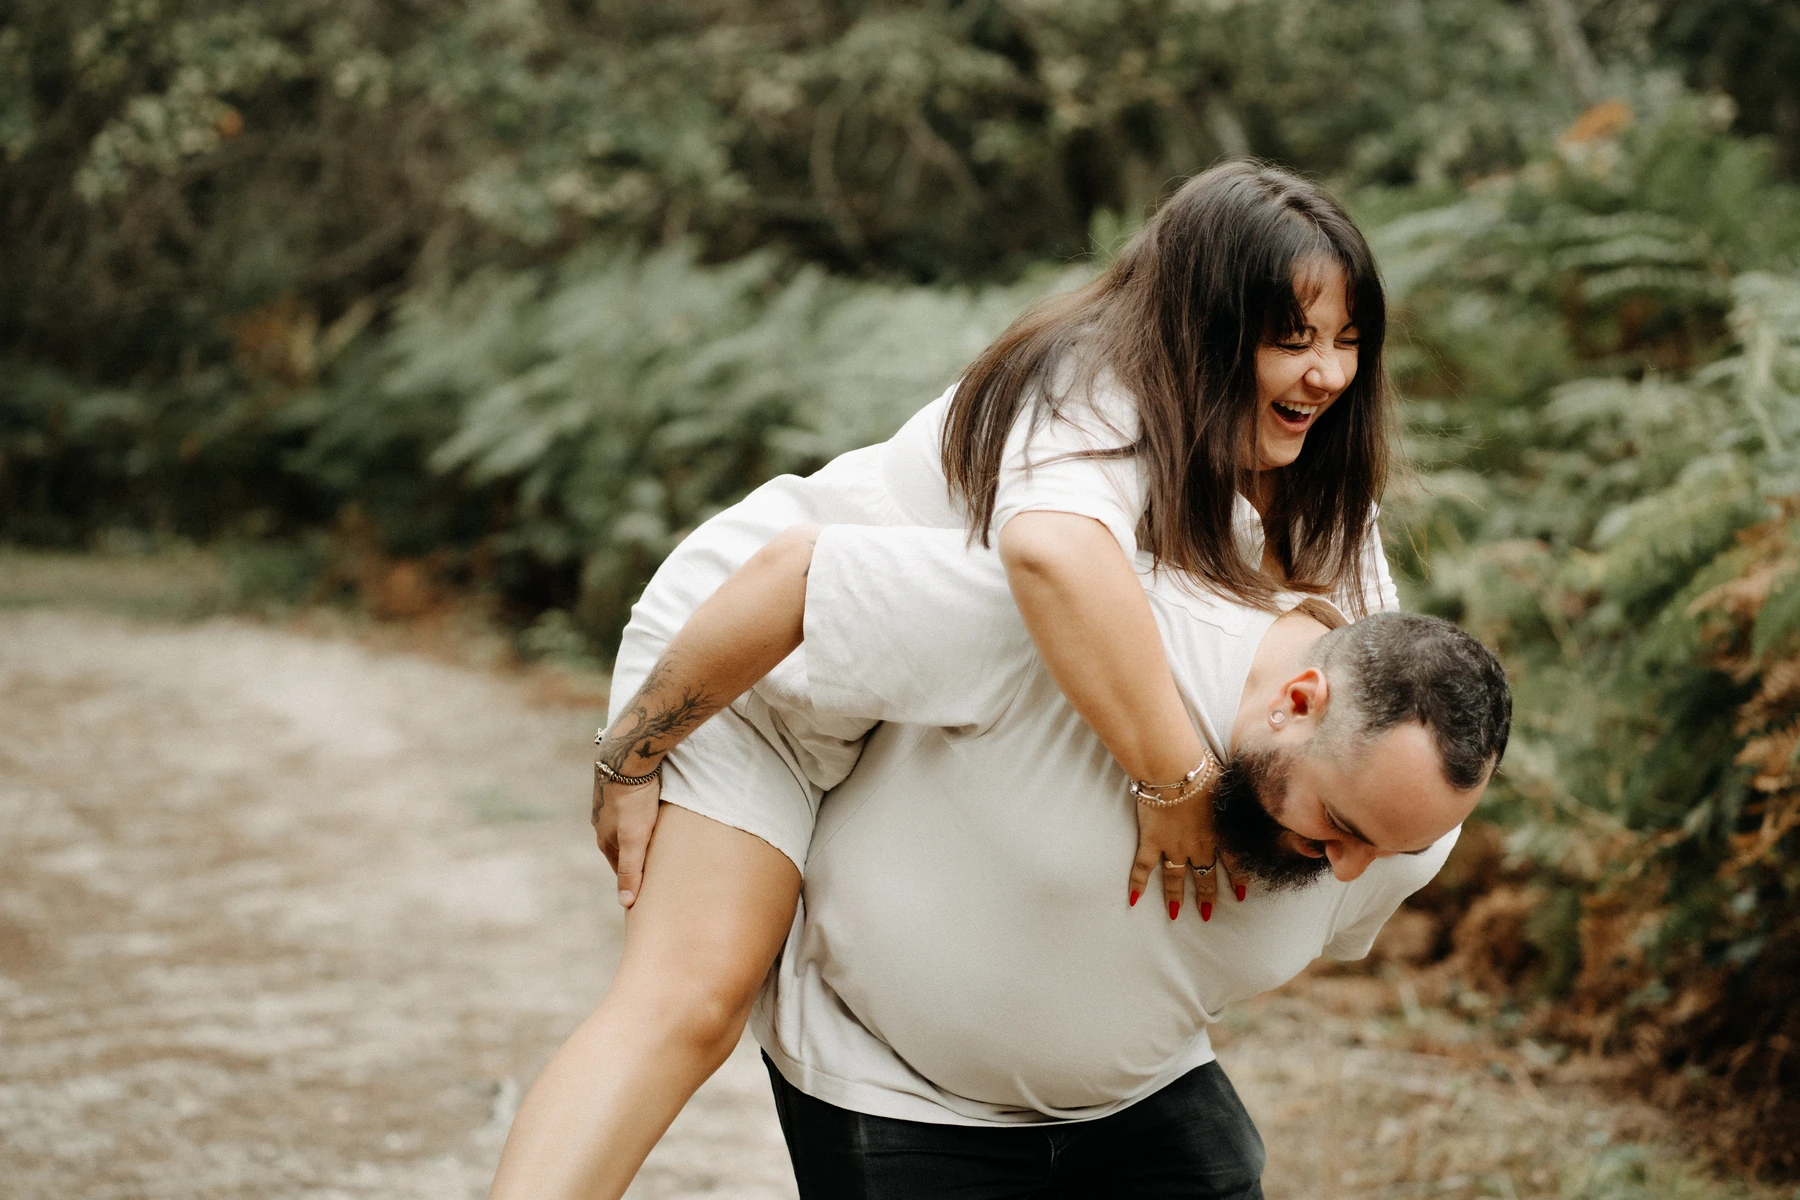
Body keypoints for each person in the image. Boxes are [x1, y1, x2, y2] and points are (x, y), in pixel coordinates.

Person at [488, 160, 1393, 1199]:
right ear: (1201, 325)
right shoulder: (1092, 388)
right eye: (1292, 338)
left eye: (1346, 341)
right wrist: (633, 751)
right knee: (688, 1001)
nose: (1327, 375)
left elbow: (1373, 668)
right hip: (757, 656)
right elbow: (1054, 558)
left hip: (910, 710)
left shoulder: (1311, 472)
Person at [566, 522, 1512, 1194]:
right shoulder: (1087, 625)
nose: (1352, 871)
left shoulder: (1394, 832)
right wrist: (629, 752)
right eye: (1340, 827)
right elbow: (802, 580)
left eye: (1394, 850)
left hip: (1138, 1103)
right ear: (1296, 704)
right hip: (898, 1091)